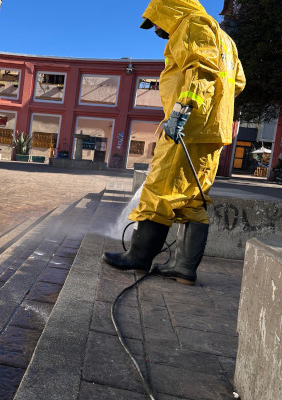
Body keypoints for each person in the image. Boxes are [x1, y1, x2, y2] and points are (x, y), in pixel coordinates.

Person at [102, 0, 245, 286]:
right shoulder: (224, 38)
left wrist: (182, 110)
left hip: (188, 127)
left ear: (169, 10)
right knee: (194, 197)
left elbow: (201, 70)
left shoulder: (192, 24)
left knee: (159, 189)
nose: (157, 28)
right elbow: (238, 82)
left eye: (156, 21)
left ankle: (138, 258)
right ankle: (183, 268)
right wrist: (214, 109)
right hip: (213, 128)